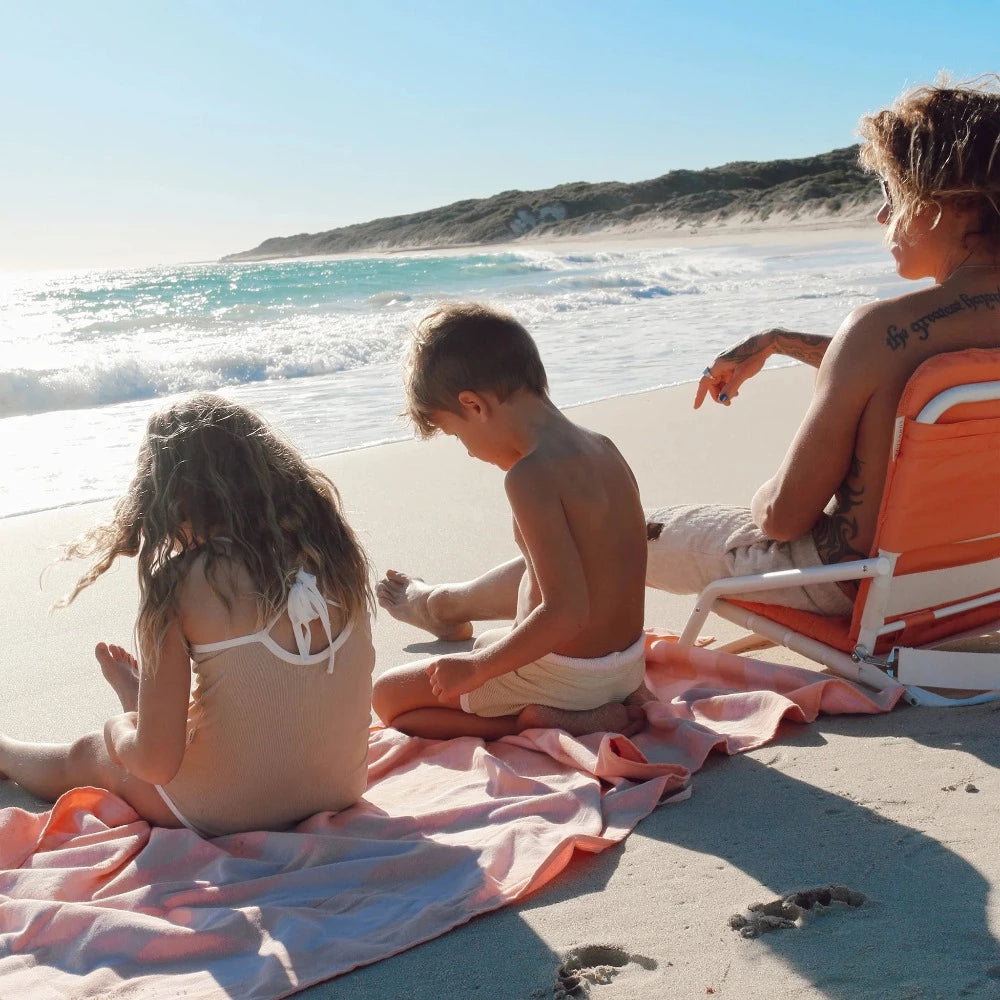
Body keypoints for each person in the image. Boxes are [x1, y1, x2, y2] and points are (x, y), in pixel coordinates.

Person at [377, 76, 1000, 631]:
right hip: (973, 571)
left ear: (952, 202)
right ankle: (451, 601)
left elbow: (784, 520)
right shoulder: (890, 339)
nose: (881, 213)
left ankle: (445, 604)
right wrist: (781, 342)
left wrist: (761, 498)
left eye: (893, 192)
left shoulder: (874, 331)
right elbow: (912, 365)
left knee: (615, 530)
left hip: (844, 583)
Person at [0, 394, 375, 836]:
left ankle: (8, 750)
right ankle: (152, 705)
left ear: (163, 497)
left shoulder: (179, 584)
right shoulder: (335, 553)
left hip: (218, 811)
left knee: (89, 755)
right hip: (341, 787)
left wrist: (118, 731)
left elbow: (158, 767)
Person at [372, 303, 648, 740]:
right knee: (488, 644)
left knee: (387, 697)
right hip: (627, 667)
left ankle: (531, 721)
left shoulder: (530, 476)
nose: (466, 450)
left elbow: (567, 612)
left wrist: (480, 670)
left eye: (457, 434)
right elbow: (627, 567)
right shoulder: (604, 447)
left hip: (569, 680)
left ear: (474, 406)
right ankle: (583, 700)